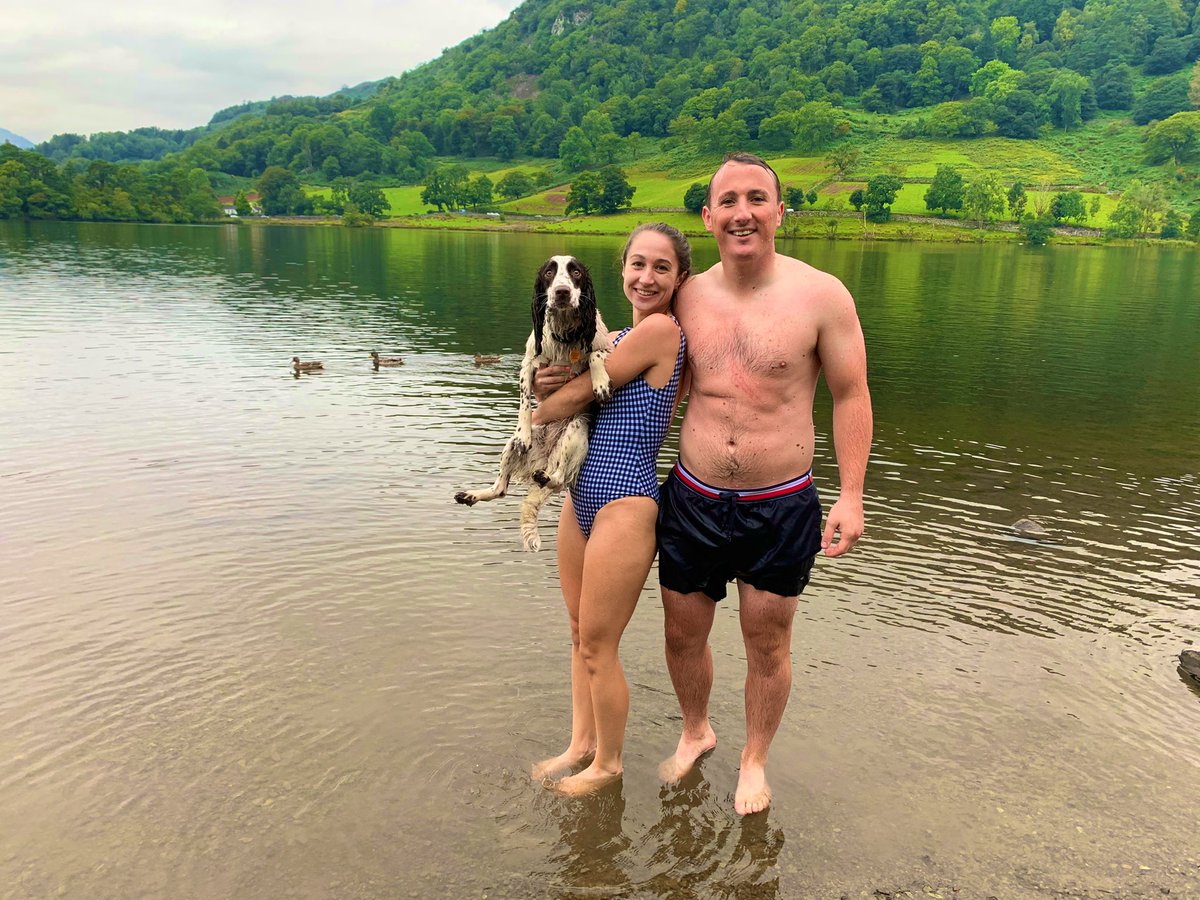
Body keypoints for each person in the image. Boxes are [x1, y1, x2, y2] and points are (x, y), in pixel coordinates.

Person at [656, 152, 872, 815]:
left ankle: (754, 759)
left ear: (780, 211)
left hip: (779, 505)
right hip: (691, 496)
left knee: (767, 640)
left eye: (757, 198)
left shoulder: (822, 295)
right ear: (708, 216)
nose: (742, 212)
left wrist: (853, 493)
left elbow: (851, 393)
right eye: (728, 201)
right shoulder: (685, 295)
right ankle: (697, 730)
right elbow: (647, 376)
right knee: (682, 633)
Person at [529, 223, 692, 796]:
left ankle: (609, 764)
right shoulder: (614, 336)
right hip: (582, 498)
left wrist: (541, 404)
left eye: (662, 268)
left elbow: (576, 396)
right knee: (578, 633)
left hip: (627, 500)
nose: (646, 277)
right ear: (621, 271)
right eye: (637, 264)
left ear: (679, 279)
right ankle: (581, 744)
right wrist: (543, 378)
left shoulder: (662, 334)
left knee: (600, 643)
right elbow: (553, 371)